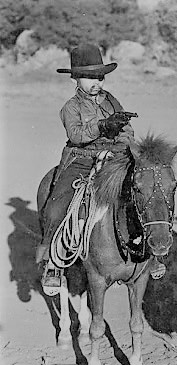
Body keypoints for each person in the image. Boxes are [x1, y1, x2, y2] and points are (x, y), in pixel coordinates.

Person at [37, 44, 164, 292]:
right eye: (89, 77)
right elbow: (76, 134)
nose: (95, 82)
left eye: (99, 77)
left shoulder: (112, 101)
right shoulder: (71, 107)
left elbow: (127, 131)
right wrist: (103, 126)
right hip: (81, 159)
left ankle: (153, 253)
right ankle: (53, 263)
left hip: (114, 156)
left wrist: (123, 143)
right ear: (75, 78)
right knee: (56, 206)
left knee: (146, 188)